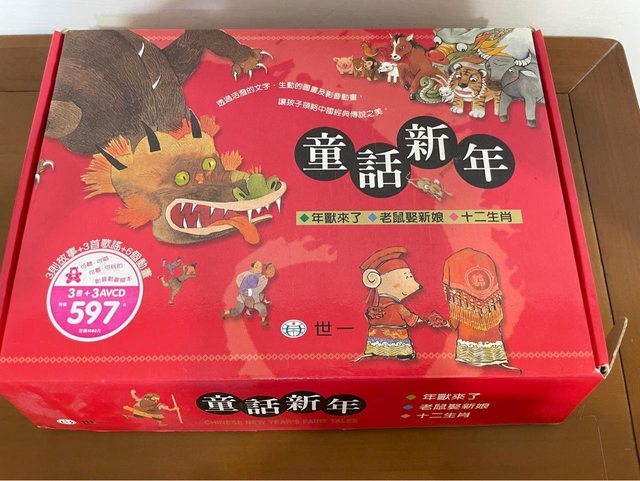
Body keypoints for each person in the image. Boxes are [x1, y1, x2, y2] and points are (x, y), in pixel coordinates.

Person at [354, 246, 447, 362]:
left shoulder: (374, 309)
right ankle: (402, 353)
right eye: (407, 278)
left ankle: (375, 350)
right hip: (398, 342)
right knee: (404, 351)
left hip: (375, 342)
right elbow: (412, 320)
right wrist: (426, 319)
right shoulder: (398, 307)